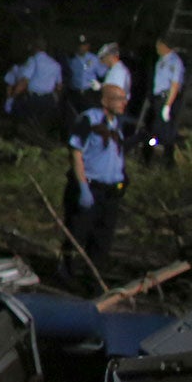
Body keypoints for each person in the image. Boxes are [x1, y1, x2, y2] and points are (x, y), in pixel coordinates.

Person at [63, 83, 130, 285]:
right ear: (104, 100)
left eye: (124, 98)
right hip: (90, 188)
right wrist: (83, 187)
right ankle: (68, 276)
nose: (123, 103)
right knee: (78, 234)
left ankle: (93, 280)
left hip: (110, 193)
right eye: (118, 98)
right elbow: (76, 153)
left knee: (103, 239)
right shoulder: (88, 119)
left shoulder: (116, 124)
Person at [2, 38, 64, 136]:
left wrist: (12, 97)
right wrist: (56, 99)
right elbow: (59, 86)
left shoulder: (33, 60)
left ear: (35, 48)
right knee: (43, 127)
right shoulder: (55, 64)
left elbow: (24, 82)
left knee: (21, 122)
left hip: (33, 99)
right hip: (48, 100)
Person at [146, 38, 186, 165]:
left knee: (165, 130)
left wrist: (167, 106)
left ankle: (166, 159)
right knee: (156, 128)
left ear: (164, 46)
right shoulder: (161, 61)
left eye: (159, 46)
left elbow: (174, 85)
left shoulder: (175, 62)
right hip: (158, 98)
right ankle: (153, 156)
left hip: (166, 99)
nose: (157, 48)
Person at [67, 34, 103, 108]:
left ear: (88, 46)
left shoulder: (94, 59)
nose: (81, 48)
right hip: (75, 92)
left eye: (84, 45)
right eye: (79, 45)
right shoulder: (71, 59)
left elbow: (101, 74)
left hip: (89, 93)